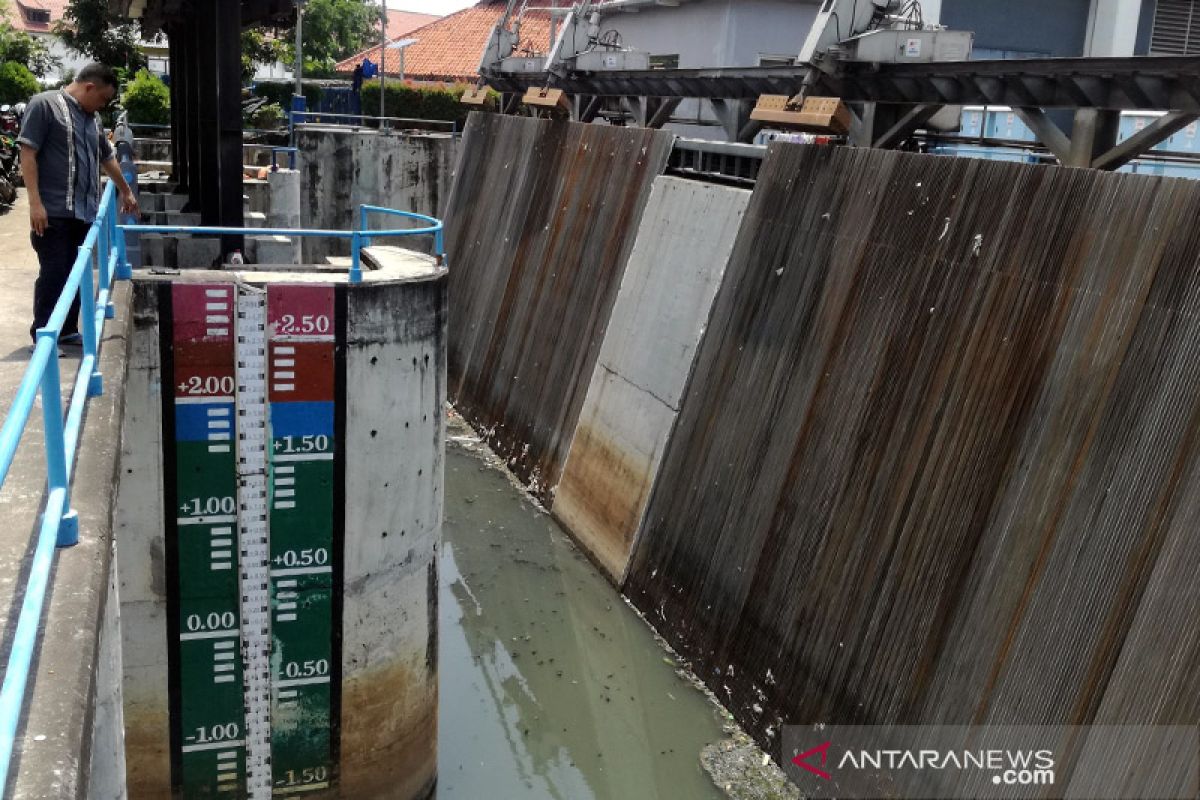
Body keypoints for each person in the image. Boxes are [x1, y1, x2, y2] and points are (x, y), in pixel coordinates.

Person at [17, 62, 139, 350]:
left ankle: (68, 329)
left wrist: (126, 192)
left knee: (77, 271)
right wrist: (35, 203)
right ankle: (44, 336)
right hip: (53, 212)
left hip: (84, 212)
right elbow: (28, 153)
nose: (102, 105)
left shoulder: (92, 119)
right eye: (102, 98)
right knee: (54, 272)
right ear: (89, 87)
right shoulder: (44, 105)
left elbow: (106, 157)